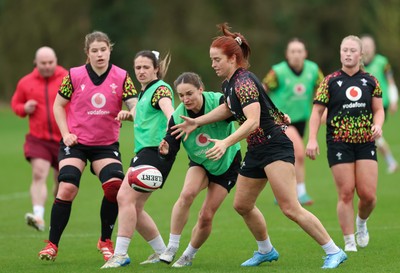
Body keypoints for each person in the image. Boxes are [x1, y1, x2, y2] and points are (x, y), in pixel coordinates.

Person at [172, 23, 347, 269]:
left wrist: (226, 142)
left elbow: (253, 121)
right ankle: (266, 250)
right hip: (256, 149)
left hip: (274, 146)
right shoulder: (229, 84)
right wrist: (196, 121)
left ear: (233, 58)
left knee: (290, 207)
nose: (213, 64)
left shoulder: (243, 82)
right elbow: (228, 109)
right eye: (211, 59)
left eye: (216, 59)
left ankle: (334, 250)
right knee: (242, 204)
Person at [38, 31, 138, 262]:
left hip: (105, 144)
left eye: (103, 49)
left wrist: (130, 113)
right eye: (95, 50)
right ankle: (52, 245)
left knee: (114, 186)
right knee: (67, 187)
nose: (100, 54)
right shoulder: (74, 75)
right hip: (76, 143)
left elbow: (135, 105)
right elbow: (58, 106)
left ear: (110, 50)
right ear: (88, 53)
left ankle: (105, 240)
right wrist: (66, 134)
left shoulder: (122, 76)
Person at [306, 35, 384, 252]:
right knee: (346, 192)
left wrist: (378, 125)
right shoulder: (329, 81)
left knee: (368, 196)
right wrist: (312, 138)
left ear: (361, 55)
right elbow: (317, 112)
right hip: (338, 142)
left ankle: (361, 222)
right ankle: (349, 241)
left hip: (365, 142)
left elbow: (379, 110)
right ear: (340, 53)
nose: (348, 54)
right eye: (344, 50)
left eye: (352, 50)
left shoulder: (371, 81)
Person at [156, 72, 242, 267]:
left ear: (201, 90)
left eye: (190, 93)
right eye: (181, 95)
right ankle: (171, 246)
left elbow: (236, 112)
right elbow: (171, 146)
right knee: (186, 194)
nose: (185, 99)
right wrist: (166, 150)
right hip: (200, 162)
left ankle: (188, 255)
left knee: (206, 215)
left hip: (227, 163)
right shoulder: (178, 116)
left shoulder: (218, 101)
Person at [101, 50, 176, 269]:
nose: (141, 72)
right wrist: (129, 115)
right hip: (145, 153)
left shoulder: (160, 89)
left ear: (156, 69)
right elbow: (146, 113)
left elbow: (169, 112)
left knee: (124, 198)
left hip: (155, 152)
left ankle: (120, 253)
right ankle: (162, 252)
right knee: (135, 207)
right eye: (138, 68)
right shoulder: (145, 92)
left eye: (146, 67)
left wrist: (170, 136)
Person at [11, 47, 67, 232]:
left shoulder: (67, 78)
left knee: (62, 182)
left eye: (50, 62)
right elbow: (15, 104)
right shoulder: (26, 83)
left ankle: (55, 212)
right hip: (38, 139)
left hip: (64, 138)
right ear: (36, 63)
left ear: (56, 60)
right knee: (38, 174)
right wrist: (24, 108)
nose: (47, 66)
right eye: (43, 63)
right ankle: (38, 216)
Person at [262, 38, 324, 205]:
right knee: (298, 153)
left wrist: (323, 109)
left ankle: (280, 192)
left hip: (302, 120)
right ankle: (301, 193)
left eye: (299, 51)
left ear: (305, 53)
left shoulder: (313, 69)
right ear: (287, 55)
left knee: (285, 157)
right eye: (292, 52)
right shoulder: (278, 72)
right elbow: (262, 91)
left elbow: (323, 89)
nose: (296, 55)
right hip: (280, 120)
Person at [361, 35, 398, 174]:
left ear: (374, 47)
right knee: (373, 135)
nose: (366, 49)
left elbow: (391, 82)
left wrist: (394, 100)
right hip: (363, 105)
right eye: (363, 46)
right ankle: (390, 162)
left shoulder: (382, 62)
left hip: (381, 105)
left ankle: (385, 162)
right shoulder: (357, 65)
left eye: (369, 46)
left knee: (371, 133)